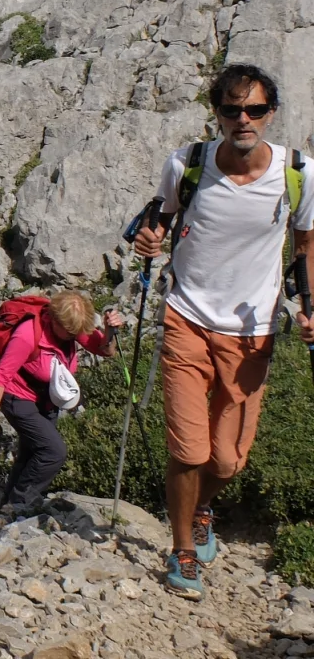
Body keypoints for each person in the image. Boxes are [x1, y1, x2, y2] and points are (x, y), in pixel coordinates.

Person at [135, 63, 314, 600]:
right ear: (216, 113)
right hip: (186, 318)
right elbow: (162, 217)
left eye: (255, 109)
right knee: (188, 451)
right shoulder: (188, 164)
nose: (244, 119)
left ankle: (203, 507)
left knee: (228, 460)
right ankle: (183, 548)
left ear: (271, 114)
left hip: (252, 330)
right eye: (233, 109)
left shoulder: (298, 174)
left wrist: (310, 306)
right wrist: (149, 239)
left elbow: (305, 247)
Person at [0, 291, 123, 511]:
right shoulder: (28, 335)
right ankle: (20, 504)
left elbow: (105, 350)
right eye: (70, 332)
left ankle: (5, 510)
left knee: (31, 454)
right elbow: (1, 376)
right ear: (54, 320)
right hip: (17, 397)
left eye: (77, 332)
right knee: (53, 452)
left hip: (46, 400)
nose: (75, 336)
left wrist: (110, 331)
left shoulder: (69, 329)